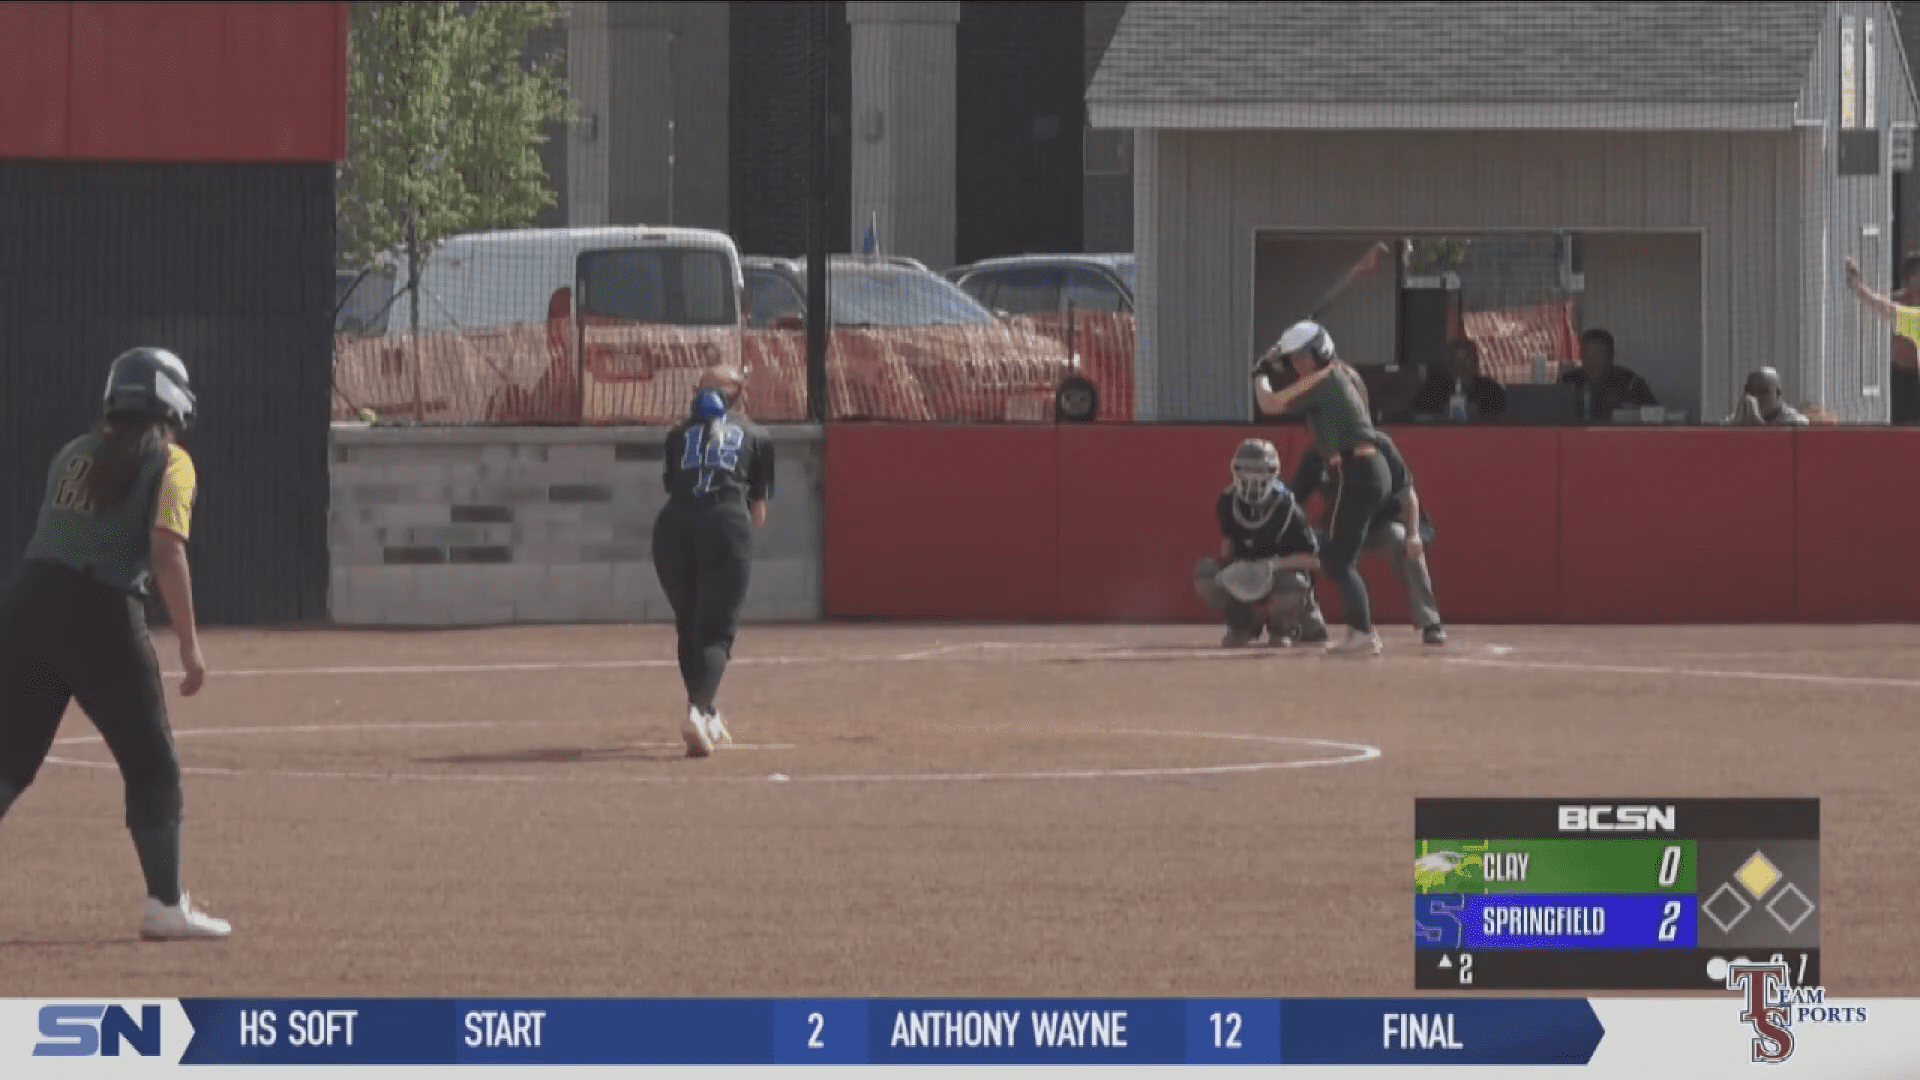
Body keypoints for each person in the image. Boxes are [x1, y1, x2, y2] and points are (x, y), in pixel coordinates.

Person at [0, 347, 228, 939]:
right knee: (151, 764)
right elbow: (167, 549)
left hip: (26, 602)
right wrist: (190, 646)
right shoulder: (172, 462)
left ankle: (166, 905)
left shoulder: (71, 453)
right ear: (173, 401)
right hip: (101, 612)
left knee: (10, 759)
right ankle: (165, 906)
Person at [654, 364, 774, 757]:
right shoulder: (758, 436)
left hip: (672, 527)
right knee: (716, 632)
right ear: (739, 395)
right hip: (726, 522)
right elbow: (758, 514)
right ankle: (696, 711)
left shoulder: (676, 434)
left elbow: (677, 484)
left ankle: (706, 708)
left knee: (688, 625)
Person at [1253, 320, 1390, 656]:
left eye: (1304, 357)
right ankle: (1358, 631)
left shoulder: (1321, 378)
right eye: (1294, 360)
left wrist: (1260, 371)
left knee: (1338, 560)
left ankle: (1363, 634)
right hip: (1367, 469)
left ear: (1321, 351)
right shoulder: (1347, 373)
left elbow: (1268, 404)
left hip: (1355, 471)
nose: (1299, 365)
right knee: (1336, 554)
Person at [1291, 430, 1447, 646]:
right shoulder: (1317, 454)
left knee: (1403, 542)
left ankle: (1430, 623)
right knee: (1300, 549)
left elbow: (1406, 491)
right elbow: (1296, 498)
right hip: (1341, 530)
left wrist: (1413, 534)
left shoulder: (1379, 445)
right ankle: (1309, 624)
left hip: (1383, 524)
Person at [1193, 439, 1326, 648]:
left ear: (1272, 471)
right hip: (1247, 569)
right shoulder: (1227, 502)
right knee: (1206, 573)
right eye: (1247, 469)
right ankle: (1243, 625)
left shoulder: (1288, 507)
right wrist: (1232, 569)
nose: (1253, 476)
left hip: (1280, 577)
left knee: (1295, 585)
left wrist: (1271, 566)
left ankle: (1284, 627)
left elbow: (1312, 560)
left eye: (1259, 469)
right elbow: (1228, 546)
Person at [1846, 254, 1920, 423]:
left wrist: (1858, 287)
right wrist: (1858, 287)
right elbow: (1884, 308)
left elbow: (1883, 307)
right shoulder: (1914, 318)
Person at [1560, 328, 1657, 422]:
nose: (1590, 362)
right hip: (1576, 436)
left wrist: (1636, 412)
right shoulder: (1569, 381)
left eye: (1596, 356)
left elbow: (1656, 414)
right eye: (1586, 356)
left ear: (1610, 356)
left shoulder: (1630, 383)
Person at [1408, 337, 1507, 421]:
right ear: (1447, 363)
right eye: (1457, 361)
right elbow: (1418, 417)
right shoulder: (1432, 391)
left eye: (1468, 360)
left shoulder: (1491, 390)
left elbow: (1499, 422)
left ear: (1476, 362)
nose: (1462, 367)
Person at [1725, 368, 1809, 426]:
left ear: (1778, 394)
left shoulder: (1794, 421)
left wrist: (1758, 424)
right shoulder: (1739, 418)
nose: (1755, 397)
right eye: (1750, 391)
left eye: (1762, 391)